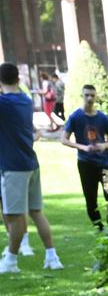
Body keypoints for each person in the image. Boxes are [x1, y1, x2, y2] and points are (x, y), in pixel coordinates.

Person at [0, 62, 63, 273]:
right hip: (31, 163)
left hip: (13, 167)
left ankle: (10, 261)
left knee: (15, 216)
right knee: (36, 212)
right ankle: (52, 257)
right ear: (18, 79)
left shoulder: (3, 103)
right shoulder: (26, 101)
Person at [62, 83, 108, 230]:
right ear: (82, 96)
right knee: (90, 197)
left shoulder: (103, 118)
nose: (89, 98)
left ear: (96, 97)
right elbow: (64, 139)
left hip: (105, 163)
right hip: (86, 164)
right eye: (87, 95)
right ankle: (98, 226)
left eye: (92, 95)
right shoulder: (75, 117)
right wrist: (83, 147)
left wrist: (103, 146)